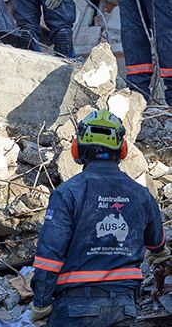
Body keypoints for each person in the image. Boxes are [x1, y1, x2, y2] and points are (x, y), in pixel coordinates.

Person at [30, 109, 170, 326]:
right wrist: (161, 255)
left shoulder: (67, 193)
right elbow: (157, 244)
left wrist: (41, 304)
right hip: (124, 308)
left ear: (77, 149)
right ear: (122, 150)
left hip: (76, 308)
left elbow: (49, 256)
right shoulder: (141, 194)